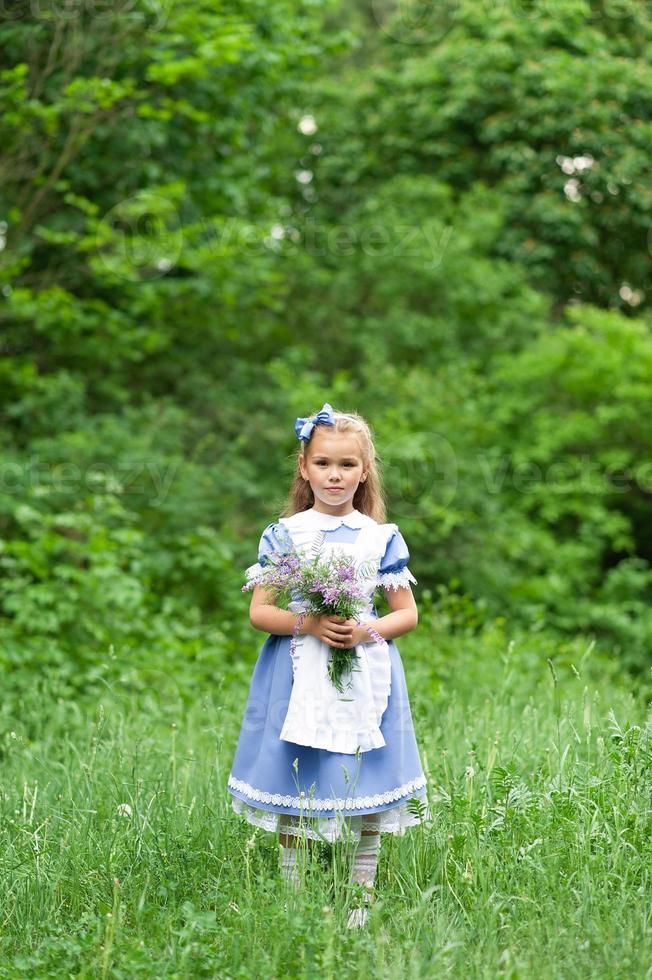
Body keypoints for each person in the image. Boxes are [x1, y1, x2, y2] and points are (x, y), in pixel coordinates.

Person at [227, 402, 430, 928]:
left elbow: (405, 615)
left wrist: (366, 630)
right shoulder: (287, 534)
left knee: (367, 771)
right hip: (297, 667)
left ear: (364, 471)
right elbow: (260, 611)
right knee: (296, 770)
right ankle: (294, 899)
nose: (334, 476)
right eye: (323, 464)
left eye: (346, 465)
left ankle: (360, 899)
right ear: (303, 466)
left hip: (365, 669)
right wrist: (311, 624)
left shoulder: (379, 536)